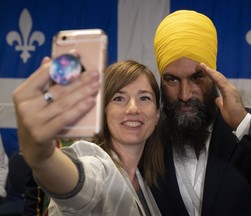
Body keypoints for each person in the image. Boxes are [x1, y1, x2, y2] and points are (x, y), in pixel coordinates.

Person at [150, 10, 251, 216]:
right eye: (172, 80)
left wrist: (243, 124)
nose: (185, 94)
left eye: (196, 77)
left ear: (214, 76)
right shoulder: (148, 139)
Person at [13, 58, 164, 215]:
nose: (133, 108)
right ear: (103, 112)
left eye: (144, 98)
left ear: (157, 114)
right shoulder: (96, 161)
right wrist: (43, 157)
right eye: (119, 98)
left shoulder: (144, 180)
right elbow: (82, 188)